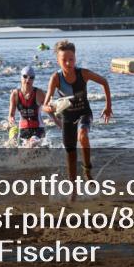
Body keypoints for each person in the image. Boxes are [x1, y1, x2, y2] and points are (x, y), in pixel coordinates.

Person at [44, 40, 113, 191]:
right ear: (58, 61)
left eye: (71, 59)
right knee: (70, 152)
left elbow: (104, 82)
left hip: (84, 113)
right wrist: (48, 107)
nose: (68, 63)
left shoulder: (83, 73)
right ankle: (73, 187)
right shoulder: (56, 78)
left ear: (75, 58)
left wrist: (108, 106)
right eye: (64, 60)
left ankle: (87, 171)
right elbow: (45, 102)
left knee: (82, 136)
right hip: (67, 118)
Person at [9, 65, 49, 142]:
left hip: (38, 129)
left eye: (31, 78)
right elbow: (11, 115)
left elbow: (49, 108)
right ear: (21, 77)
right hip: (23, 129)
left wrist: (57, 120)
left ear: (34, 79)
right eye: (25, 76)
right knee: (14, 145)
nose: (28, 80)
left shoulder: (39, 93)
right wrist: (12, 121)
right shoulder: (15, 94)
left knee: (31, 144)